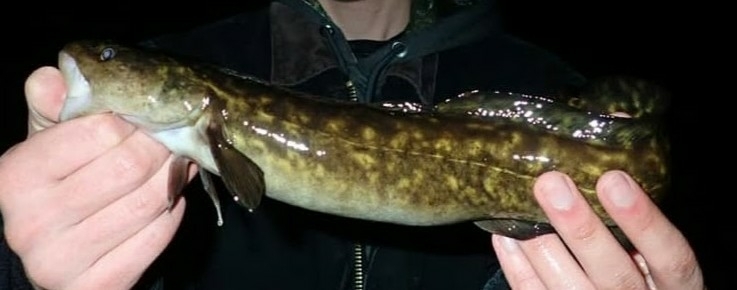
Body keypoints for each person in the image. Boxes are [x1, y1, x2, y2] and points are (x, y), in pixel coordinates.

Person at [0, 0, 704, 289]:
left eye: (117, 63)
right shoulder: (190, 65)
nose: (103, 65)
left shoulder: (545, 85)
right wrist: (18, 266)